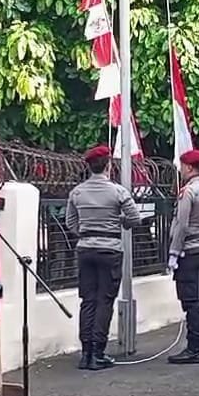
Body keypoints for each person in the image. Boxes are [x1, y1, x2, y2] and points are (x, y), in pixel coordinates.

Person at [66, 145, 141, 371]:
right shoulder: (118, 192)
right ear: (108, 166)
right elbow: (135, 219)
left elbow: (70, 223)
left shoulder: (77, 192)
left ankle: (85, 353)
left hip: (85, 249)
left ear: (89, 167)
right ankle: (98, 352)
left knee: (88, 300)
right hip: (110, 249)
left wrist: (86, 234)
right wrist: (121, 222)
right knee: (105, 300)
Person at [166, 149, 199, 365]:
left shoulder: (189, 191)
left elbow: (182, 226)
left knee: (191, 301)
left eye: (182, 166)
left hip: (189, 251)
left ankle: (193, 349)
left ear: (189, 167)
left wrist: (174, 253)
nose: (181, 170)